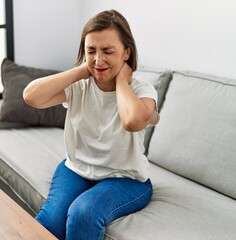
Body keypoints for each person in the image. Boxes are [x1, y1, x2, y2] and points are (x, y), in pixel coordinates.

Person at [23, 9, 159, 240]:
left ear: (126, 53)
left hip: (125, 179)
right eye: (91, 51)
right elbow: (31, 96)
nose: (98, 60)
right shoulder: (79, 86)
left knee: (82, 213)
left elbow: (132, 120)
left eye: (107, 51)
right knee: (50, 222)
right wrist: (82, 70)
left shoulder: (141, 91)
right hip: (76, 169)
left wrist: (122, 82)